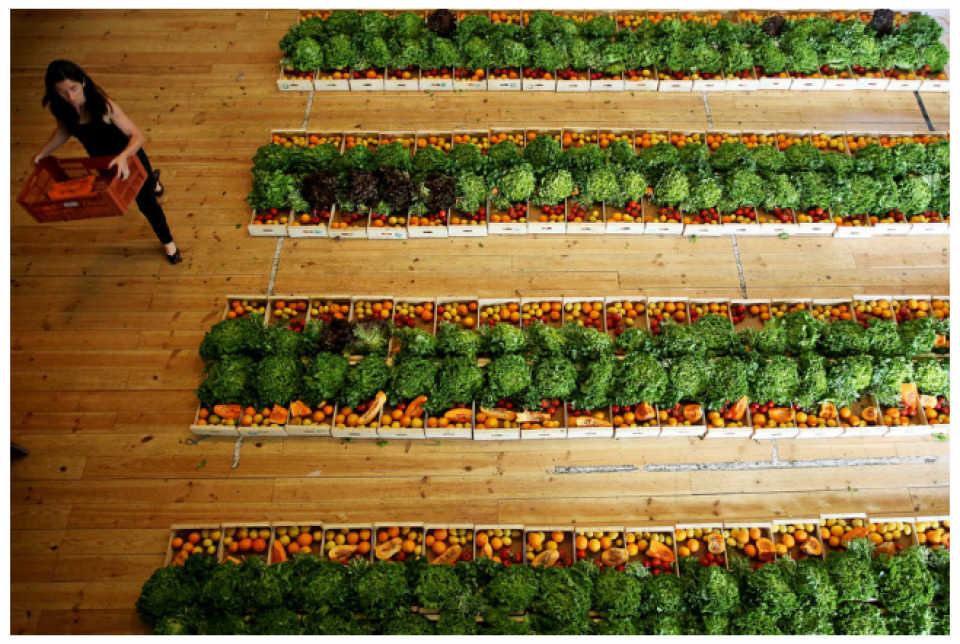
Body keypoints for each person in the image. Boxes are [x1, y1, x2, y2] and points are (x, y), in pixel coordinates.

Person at [33, 60, 182, 264]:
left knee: (146, 203)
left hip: (129, 158)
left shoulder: (104, 106)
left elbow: (137, 136)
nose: (70, 97)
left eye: (73, 88)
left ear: (82, 82)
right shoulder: (61, 109)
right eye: (62, 91)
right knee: (128, 190)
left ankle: (168, 244)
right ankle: (153, 182)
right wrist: (44, 152)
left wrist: (123, 156)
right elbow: (63, 131)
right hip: (103, 163)